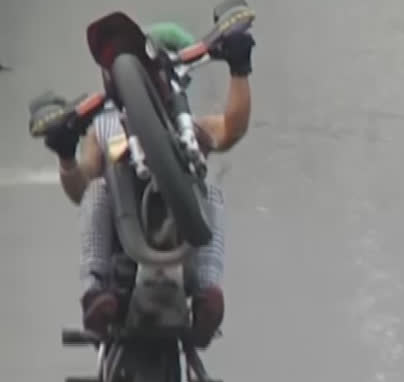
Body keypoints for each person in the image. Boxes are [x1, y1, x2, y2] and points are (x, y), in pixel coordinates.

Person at [41, 21, 254, 348]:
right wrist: (66, 157)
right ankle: (95, 293)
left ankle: (207, 295)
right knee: (97, 192)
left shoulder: (191, 131)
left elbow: (232, 127)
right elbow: (80, 189)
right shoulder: (105, 127)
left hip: (182, 243)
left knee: (211, 192)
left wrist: (240, 69)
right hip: (121, 242)